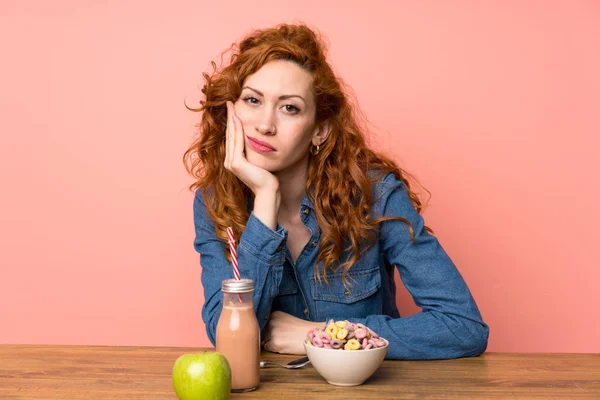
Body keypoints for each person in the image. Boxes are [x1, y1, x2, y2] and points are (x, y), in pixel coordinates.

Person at [183, 23, 489, 360]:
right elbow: (227, 336)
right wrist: (265, 203)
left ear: (320, 131)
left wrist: (322, 334)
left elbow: (463, 327)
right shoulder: (214, 202)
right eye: (253, 100)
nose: (266, 124)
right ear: (231, 111)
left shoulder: (376, 193)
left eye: (290, 108)